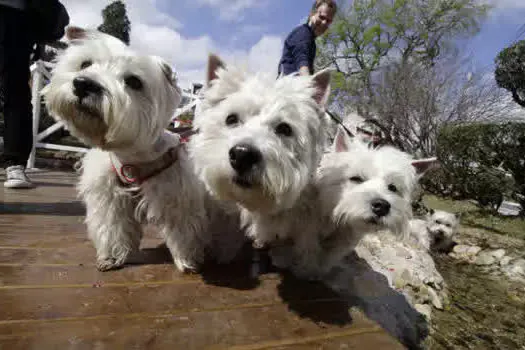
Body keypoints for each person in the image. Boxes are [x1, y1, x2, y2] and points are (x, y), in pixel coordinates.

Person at [0, 0, 68, 188]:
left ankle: (15, 163)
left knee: (15, 91)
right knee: (15, 92)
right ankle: (15, 163)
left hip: (16, 15)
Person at [277, 0, 337, 77]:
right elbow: (302, 64)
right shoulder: (303, 34)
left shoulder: (311, 41)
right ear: (312, 14)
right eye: (321, 17)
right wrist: (308, 83)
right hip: (290, 86)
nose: (324, 22)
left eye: (328, 21)